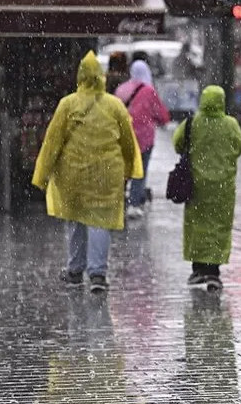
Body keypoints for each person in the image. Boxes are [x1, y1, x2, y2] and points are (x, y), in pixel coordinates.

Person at [32, 51, 143, 293]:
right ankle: (97, 274)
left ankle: (75, 270)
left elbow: (52, 143)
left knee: (75, 219)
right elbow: (127, 141)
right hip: (106, 174)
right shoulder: (114, 105)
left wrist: (41, 175)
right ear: (101, 77)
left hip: (73, 174)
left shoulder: (68, 104)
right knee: (100, 222)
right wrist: (130, 169)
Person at [172, 85, 241, 290]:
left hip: (196, 184)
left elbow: (178, 143)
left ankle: (198, 269)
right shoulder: (231, 125)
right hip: (223, 187)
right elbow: (237, 148)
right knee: (218, 227)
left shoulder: (192, 123)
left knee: (197, 226)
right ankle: (213, 271)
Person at [115, 60, 171, 219]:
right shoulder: (149, 91)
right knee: (140, 170)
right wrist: (163, 120)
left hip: (124, 137)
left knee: (124, 170)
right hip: (144, 138)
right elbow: (161, 114)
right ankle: (134, 204)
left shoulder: (121, 89)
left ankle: (117, 202)